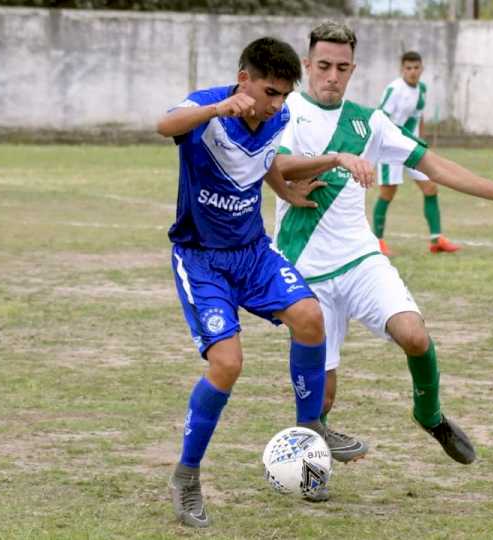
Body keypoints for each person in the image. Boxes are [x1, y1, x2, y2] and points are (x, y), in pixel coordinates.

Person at [274, 21, 493, 468]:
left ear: (353, 70)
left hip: (360, 260)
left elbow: (435, 165)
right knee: (322, 396)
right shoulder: (286, 111)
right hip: (305, 270)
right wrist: (336, 159)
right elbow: (278, 166)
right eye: (323, 66)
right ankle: (308, 468)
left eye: (342, 68)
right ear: (307, 65)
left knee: (415, 335)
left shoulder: (369, 123)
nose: (332, 76)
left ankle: (430, 415)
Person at [156, 36, 336, 528]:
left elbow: (263, 162)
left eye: (283, 95)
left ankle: (310, 427)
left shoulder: (276, 117)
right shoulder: (206, 109)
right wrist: (217, 106)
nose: (276, 104)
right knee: (228, 363)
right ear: (244, 80)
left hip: (252, 251)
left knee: (309, 316)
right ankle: (187, 475)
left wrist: (285, 188)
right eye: (269, 92)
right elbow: (163, 124)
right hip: (201, 260)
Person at [374, 50, 461, 255]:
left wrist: (422, 141)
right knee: (388, 192)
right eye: (408, 68)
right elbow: (380, 118)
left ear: (421, 69)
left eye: (416, 68)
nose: (413, 72)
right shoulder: (394, 89)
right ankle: (377, 242)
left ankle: (436, 239)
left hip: (411, 147)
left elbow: (418, 117)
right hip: (389, 148)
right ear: (402, 69)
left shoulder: (421, 89)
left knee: (431, 187)